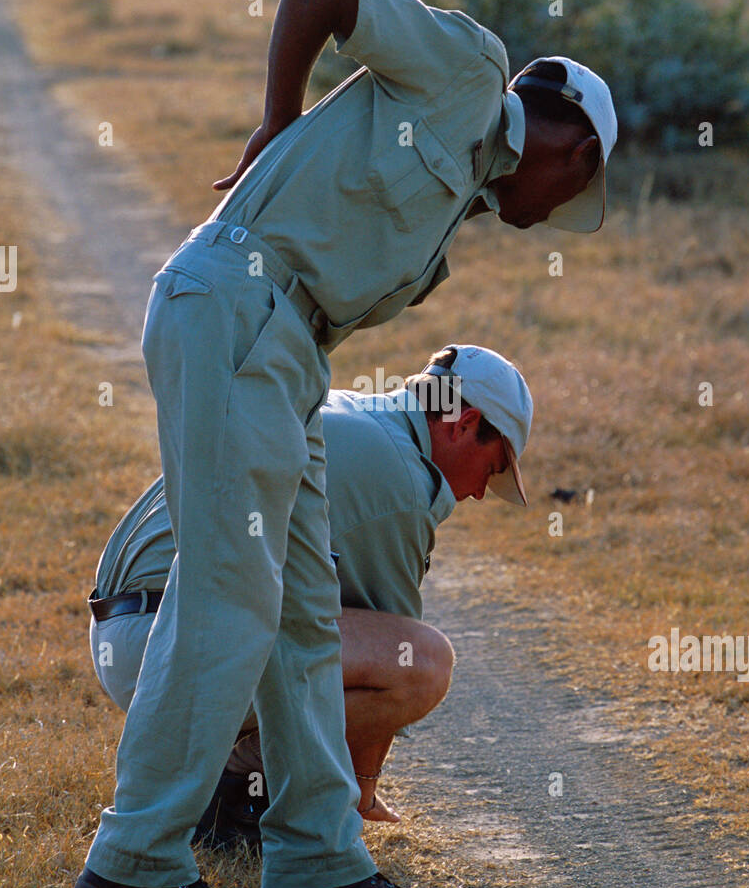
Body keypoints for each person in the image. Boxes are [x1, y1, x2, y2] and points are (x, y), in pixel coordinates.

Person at [73, 0, 616, 888]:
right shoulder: (468, 71)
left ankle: (317, 859)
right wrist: (278, 119)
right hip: (235, 308)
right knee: (230, 597)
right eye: (570, 195)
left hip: (289, 352)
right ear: (574, 151)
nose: (547, 218)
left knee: (304, 617)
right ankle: (133, 867)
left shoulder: (455, 214)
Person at [87, 344, 532, 844]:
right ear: (463, 423)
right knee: (425, 663)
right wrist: (361, 792)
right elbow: (393, 653)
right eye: (491, 470)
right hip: (165, 641)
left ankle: (229, 783)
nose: (477, 493)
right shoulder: (403, 479)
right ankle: (237, 793)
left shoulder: (359, 413)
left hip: (129, 627)